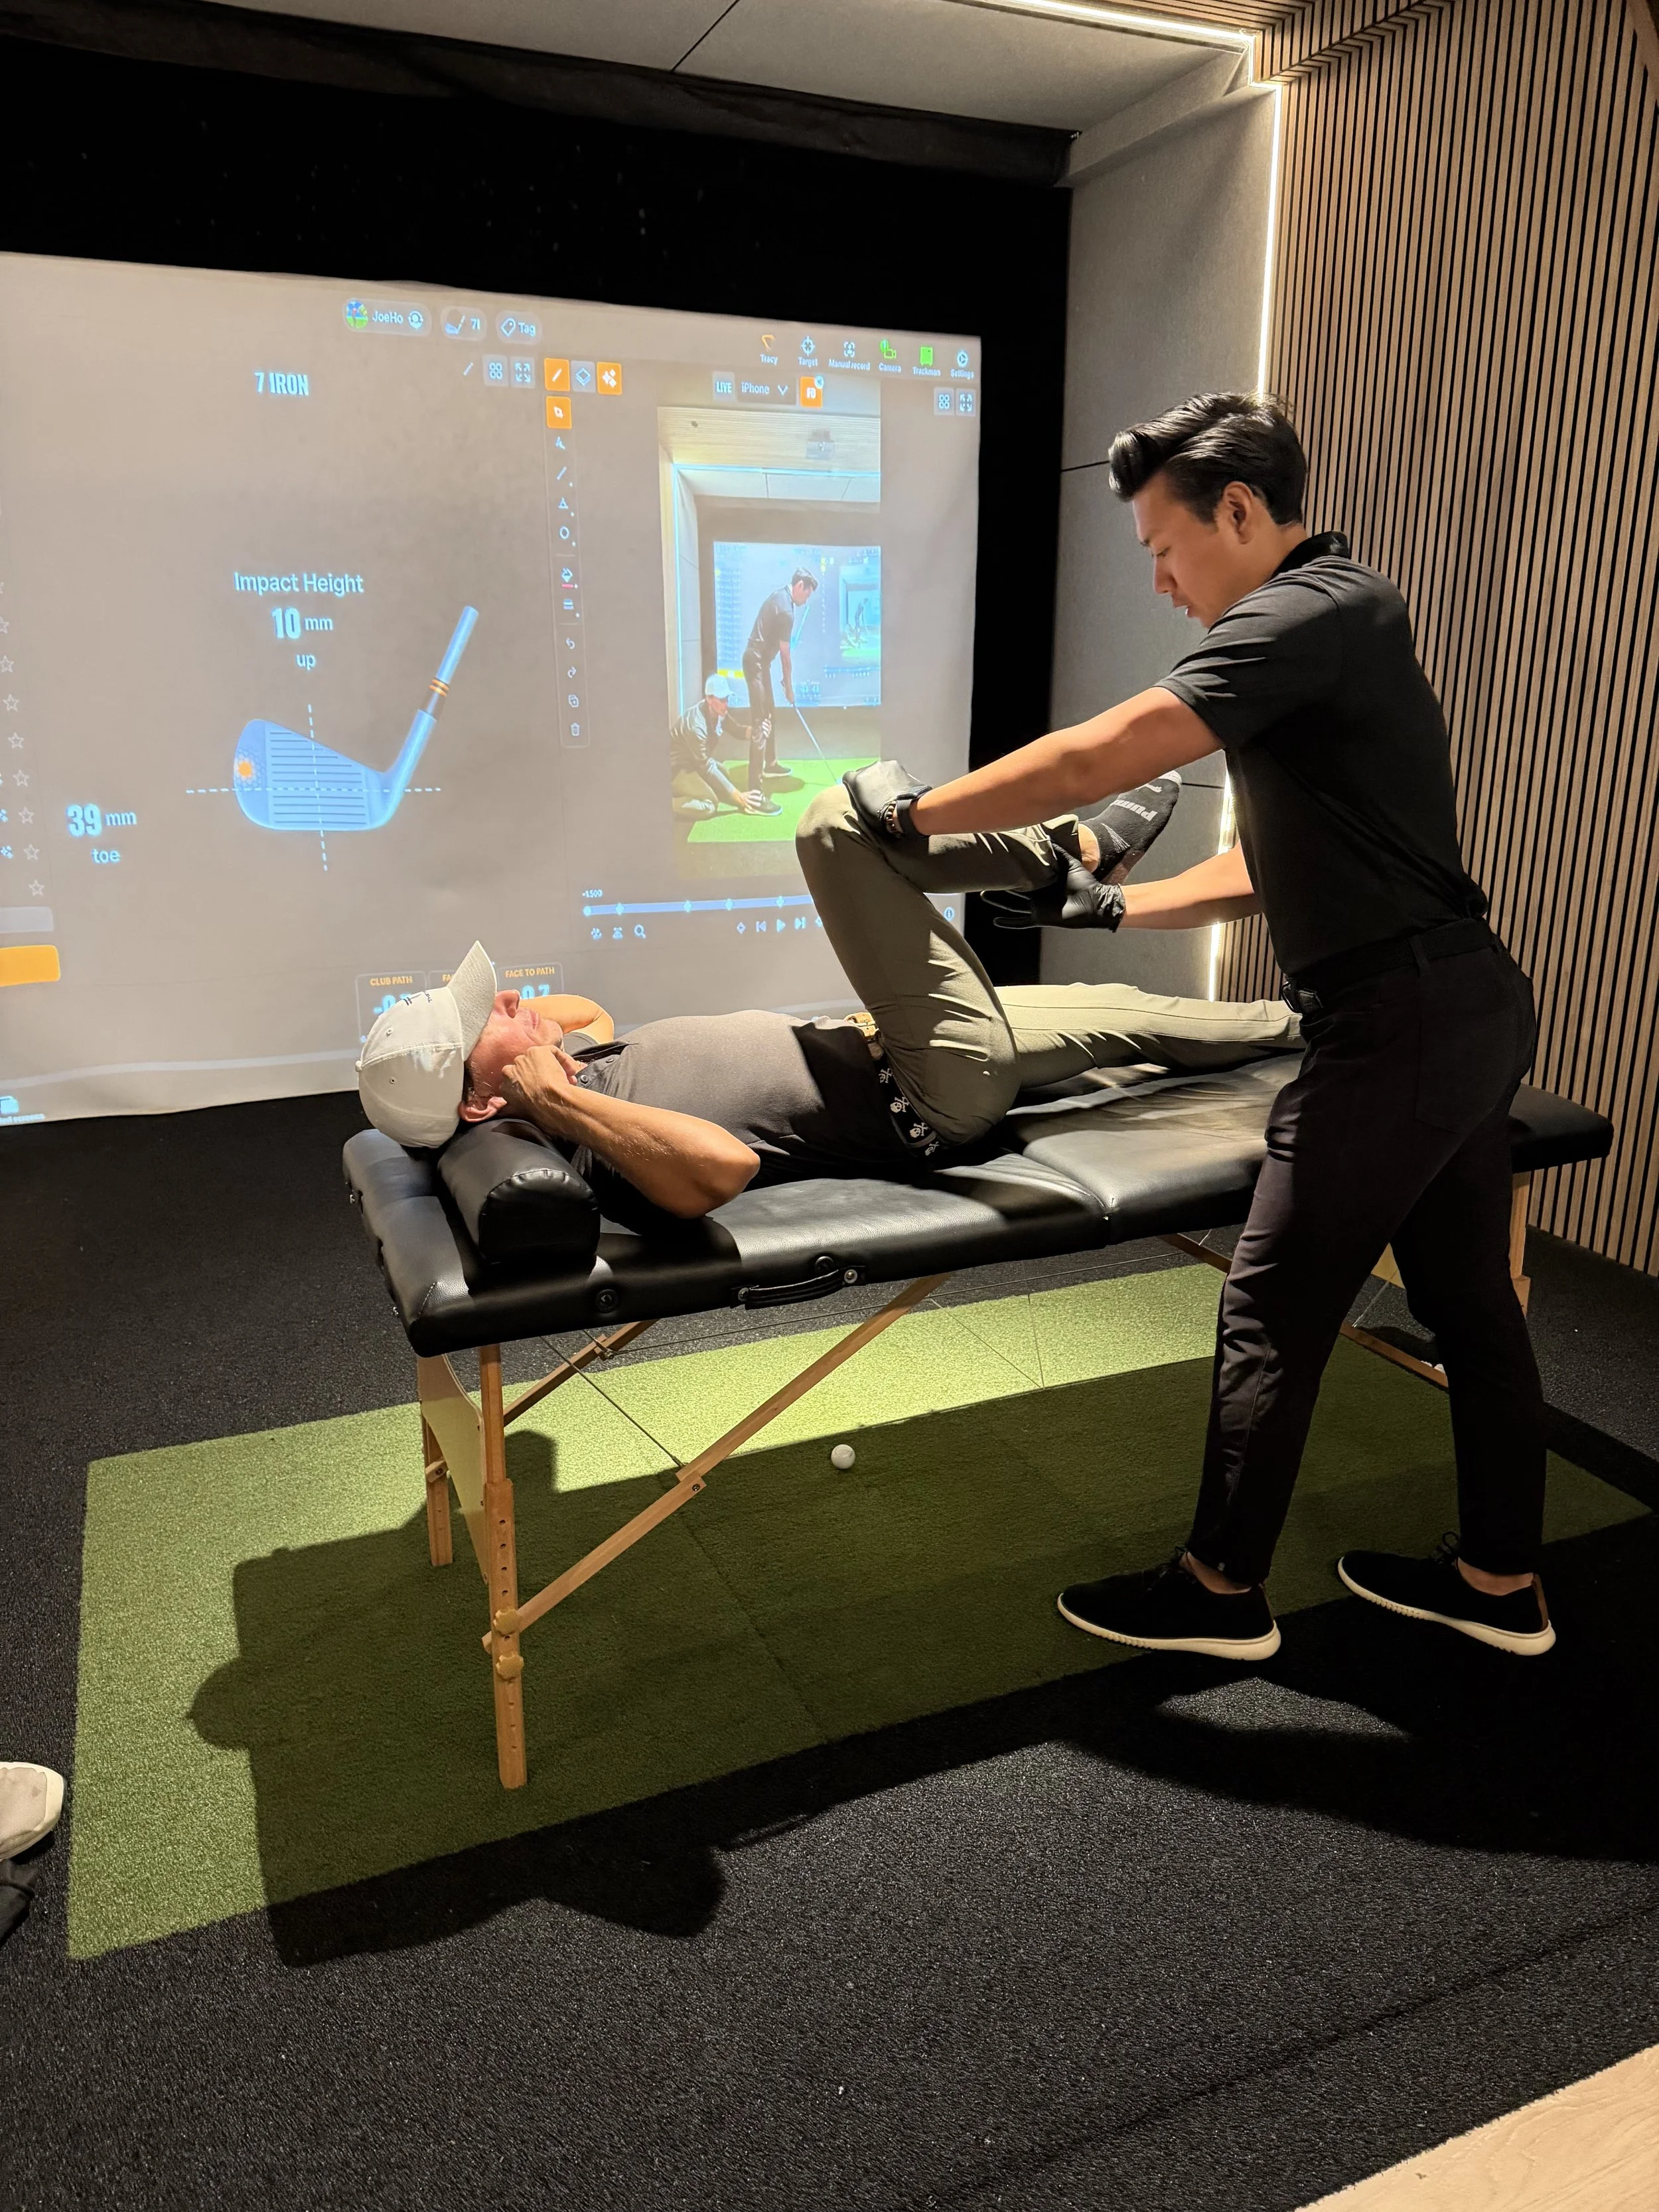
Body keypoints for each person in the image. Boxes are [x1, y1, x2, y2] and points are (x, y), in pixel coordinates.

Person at [846, 392, 1551, 1660]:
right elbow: (1270, 871)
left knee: (1269, 1303)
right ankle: (1500, 1581)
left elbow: (1103, 752)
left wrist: (912, 817)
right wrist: (1109, 903)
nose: (1164, 580)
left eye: (1165, 548)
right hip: (1460, 1003)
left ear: (1238, 511)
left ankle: (1218, 1592)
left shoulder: (1308, 611)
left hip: (1399, 1022)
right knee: (1468, 1304)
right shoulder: (1337, 625)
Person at [354, 770, 1301, 1230]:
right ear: (483, 1101)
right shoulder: (596, 1139)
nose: (511, 999)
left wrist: (527, 1051)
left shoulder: (579, 1068)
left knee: (1130, 1014)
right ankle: (1074, 856)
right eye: (491, 1017)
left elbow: (581, 1009)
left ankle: (1307, 1020)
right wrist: (553, 1100)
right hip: (926, 1087)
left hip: (896, 1044)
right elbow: (719, 1169)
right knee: (834, 826)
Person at [742, 566, 818, 778]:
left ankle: (771, 763)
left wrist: (785, 681)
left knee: (770, 714)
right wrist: (789, 689)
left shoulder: (780, 596)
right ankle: (755, 786)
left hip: (761, 663)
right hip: (755, 662)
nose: (806, 600)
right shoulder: (786, 610)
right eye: (807, 594)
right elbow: (786, 656)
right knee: (761, 721)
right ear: (800, 585)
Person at [670, 674, 779, 822]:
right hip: (677, 770)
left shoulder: (719, 713)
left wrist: (759, 730)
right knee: (709, 806)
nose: (726, 704)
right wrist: (741, 798)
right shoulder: (696, 726)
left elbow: (738, 731)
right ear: (709, 699)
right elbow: (707, 768)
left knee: (725, 776)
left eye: (726, 699)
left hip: (695, 764)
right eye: (721, 700)